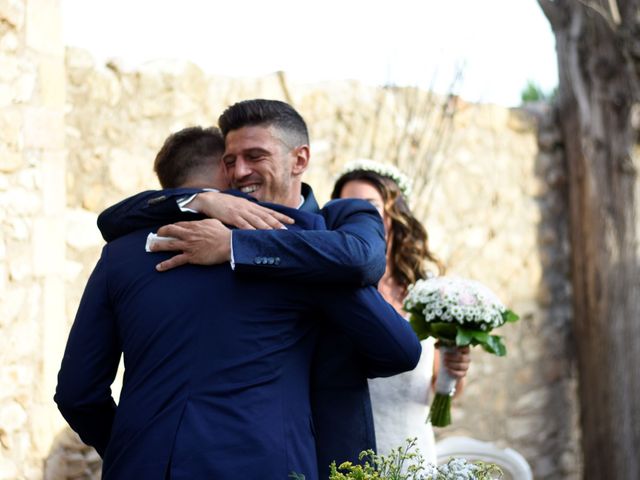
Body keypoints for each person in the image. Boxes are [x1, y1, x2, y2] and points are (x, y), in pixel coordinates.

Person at [55, 123, 421, 479]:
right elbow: (399, 349)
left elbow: (77, 393)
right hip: (262, 464)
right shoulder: (290, 246)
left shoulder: (119, 255)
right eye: (234, 163)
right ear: (225, 174)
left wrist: (130, 446)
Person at [332, 159, 472, 463]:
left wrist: (455, 371)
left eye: (368, 205)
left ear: (394, 213)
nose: (356, 215)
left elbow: (442, 390)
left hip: (413, 454)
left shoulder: (428, 293)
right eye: (346, 205)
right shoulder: (332, 290)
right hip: (347, 454)